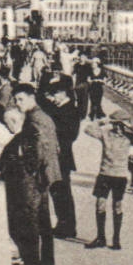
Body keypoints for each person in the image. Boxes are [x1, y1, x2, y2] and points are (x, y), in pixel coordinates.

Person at [0, 84, 57, 265]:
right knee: (42, 220)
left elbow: (38, 151)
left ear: (32, 97)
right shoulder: (43, 117)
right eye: (16, 100)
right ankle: (45, 263)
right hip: (44, 176)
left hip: (33, 178)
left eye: (21, 99)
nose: (18, 103)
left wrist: (27, 169)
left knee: (26, 220)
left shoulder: (34, 119)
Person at [84, 108, 133, 250]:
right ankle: (100, 237)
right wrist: (103, 121)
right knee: (100, 204)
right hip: (105, 173)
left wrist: (131, 127)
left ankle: (116, 239)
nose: (118, 128)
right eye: (116, 125)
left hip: (120, 175)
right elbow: (88, 129)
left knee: (117, 205)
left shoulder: (129, 137)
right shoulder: (106, 134)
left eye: (121, 125)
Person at [42, 80, 81, 239]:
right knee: (58, 191)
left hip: (62, 156)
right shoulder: (61, 108)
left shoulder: (70, 109)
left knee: (62, 191)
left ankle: (67, 226)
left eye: (55, 94)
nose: (53, 98)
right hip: (59, 156)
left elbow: (71, 134)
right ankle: (63, 224)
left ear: (62, 93)